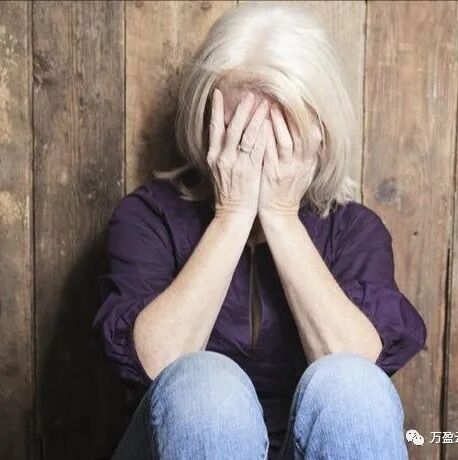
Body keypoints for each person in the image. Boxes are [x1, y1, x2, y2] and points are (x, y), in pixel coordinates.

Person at [93, 3, 427, 459]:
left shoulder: (353, 230)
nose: (258, 149)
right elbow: (157, 365)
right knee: (205, 386)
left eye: (282, 133)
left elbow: (361, 376)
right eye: (241, 129)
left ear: (320, 134)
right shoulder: (148, 218)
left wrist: (282, 217)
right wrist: (232, 214)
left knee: (351, 383)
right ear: (205, 123)